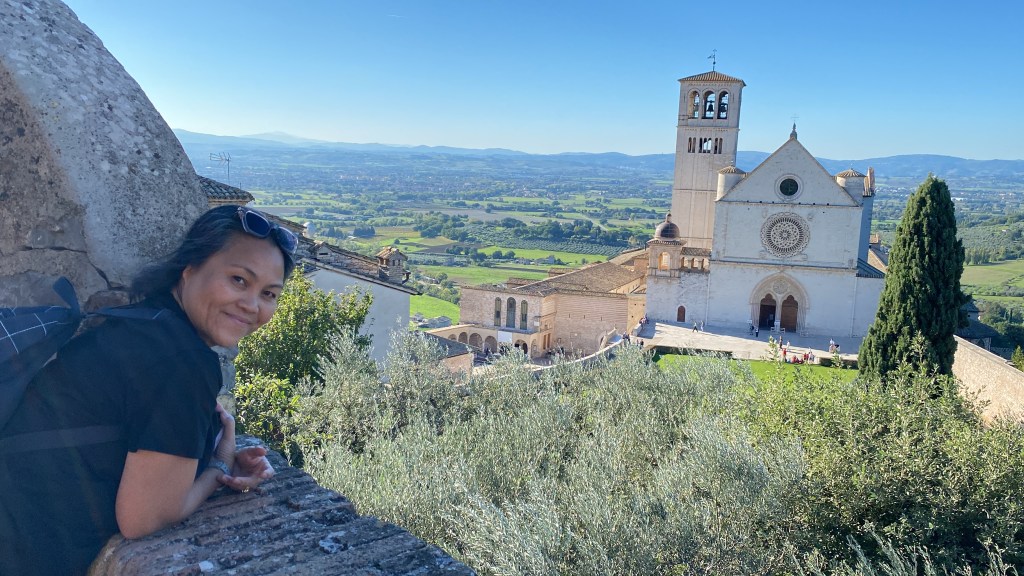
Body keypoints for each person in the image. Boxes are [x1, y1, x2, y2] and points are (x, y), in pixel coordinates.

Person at [0, 206, 296, 576]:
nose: (252, 305)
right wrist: (220, 465)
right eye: (238, 280)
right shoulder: (184, 361)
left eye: (269, 293)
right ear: (190, 269)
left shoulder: (142, 321)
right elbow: (142, 518)